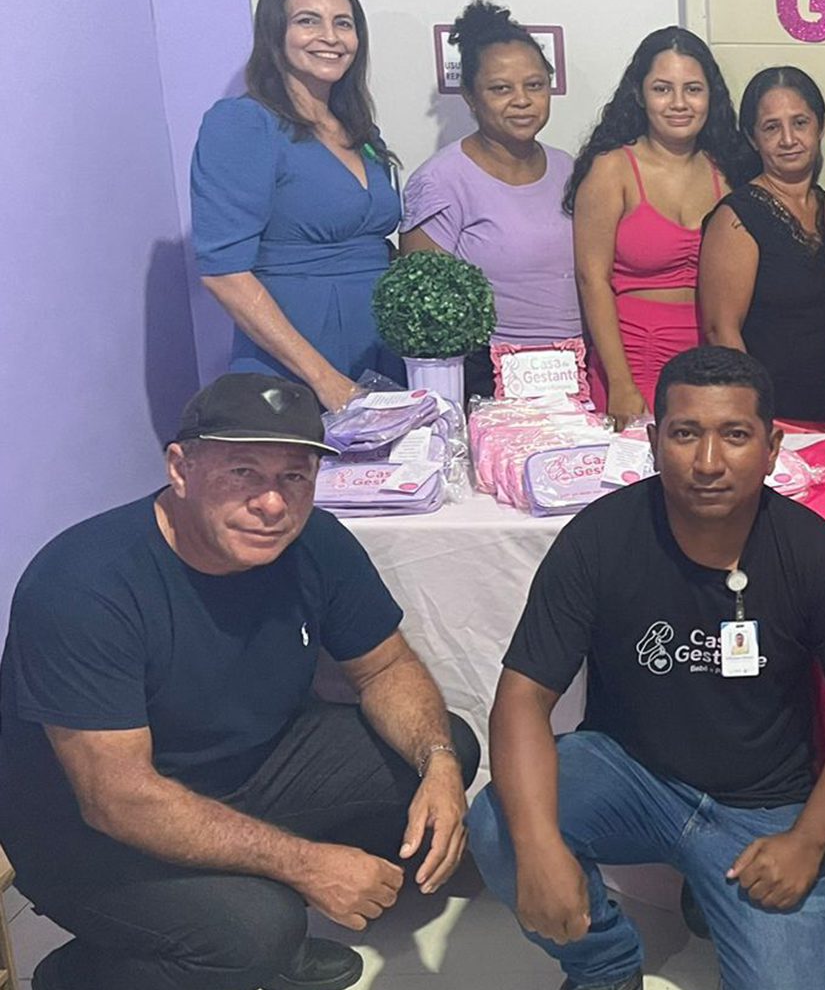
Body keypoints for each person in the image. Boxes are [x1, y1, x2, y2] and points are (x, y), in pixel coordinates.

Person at [0, 373, 480, 990]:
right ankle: (91, 970)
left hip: (242, 770)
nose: (273, 503)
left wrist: (438, 764)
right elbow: (117, 799)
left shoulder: (316, 543)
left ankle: (237, 913)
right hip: (86, 823)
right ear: (180, 468)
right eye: (243, 473)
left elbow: (385, 666)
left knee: (443, 746)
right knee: (256, 932)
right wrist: (307, 865)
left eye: (294, 477)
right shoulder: (85, 585)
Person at [465, 346, 825, 990]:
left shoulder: (811, 552)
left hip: (763, 807)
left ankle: (714, 889)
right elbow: (523, 698)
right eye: (685, 433)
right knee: (500, 823)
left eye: (735, 435)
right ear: (652, 439)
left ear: (773, 446)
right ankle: (606, 966)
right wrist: (538, 848)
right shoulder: (599, 538)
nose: (707, 462)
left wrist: (808, 840)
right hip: (629, 772)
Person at [192, 0, 403, 407]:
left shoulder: (361, 129)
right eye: (308, 20)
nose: (330, 36)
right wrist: (325, 381)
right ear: (275, 33)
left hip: (384, 354)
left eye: (342, 23)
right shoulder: (243, 123)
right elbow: (224, 273)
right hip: (296, 364)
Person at [567, 27, 747, 429]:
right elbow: (590, 280)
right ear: (640, 95)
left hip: (708, 364)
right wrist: (619, 381)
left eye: (693, 89)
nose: (679, 103)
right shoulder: (612, 169)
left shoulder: (729, 171)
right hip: (630, 361)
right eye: (663, 89)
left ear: (710, 96)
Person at [400, 0, 578, 398]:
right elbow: (426, 316)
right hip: (487, 381)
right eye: (500, 89)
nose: (521, 100)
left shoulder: (570, 169)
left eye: (534, 85)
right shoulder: (441, 181)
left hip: (576, 376)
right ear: (469, 96)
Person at [699, 67, 825, 431]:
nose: (789, 139)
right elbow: (721, 331)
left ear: (821, 125)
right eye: (772, 127)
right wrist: (753, 420)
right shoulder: (738, 216)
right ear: (752, 138)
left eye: (800, 122)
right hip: (775, 420)